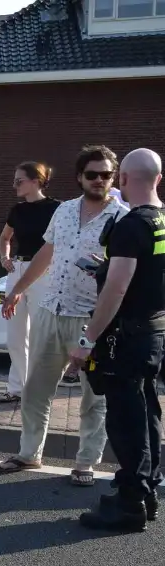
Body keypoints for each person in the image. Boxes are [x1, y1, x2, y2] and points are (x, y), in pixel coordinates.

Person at [0, 145, 129, 486]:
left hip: (91, 320)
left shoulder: (123, 218)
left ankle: (86, 463)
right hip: (50, 311)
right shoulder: (66, 211)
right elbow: (46, 253)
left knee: (92, 398)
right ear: (79, 177)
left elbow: (126, 275)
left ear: (114, 178)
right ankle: (29, 454)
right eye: (92, 174)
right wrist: (18, 289)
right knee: (35, 390)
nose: (99, 180)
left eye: (106, 175)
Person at [69, 148, 165, 533]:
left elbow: (117, 288)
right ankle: (148, 493)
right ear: (158, 178)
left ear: (123, 179)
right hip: (154, 331)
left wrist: (86, 338)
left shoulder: (130, 225)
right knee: (148, 413)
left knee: (126, 422)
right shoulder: (161, 222)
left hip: (126, 337)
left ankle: (129, 503)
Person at [0, 162, 61, 403]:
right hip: (18, 269)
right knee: (15, 335)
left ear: (36, 181)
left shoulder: (57, 209)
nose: (15, 185)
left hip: (44, 272)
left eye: (19, 180)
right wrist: (4, 257)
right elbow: (5, 237)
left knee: (39, 336)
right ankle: (18, 388)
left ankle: (32, 390)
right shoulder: (17, 210)